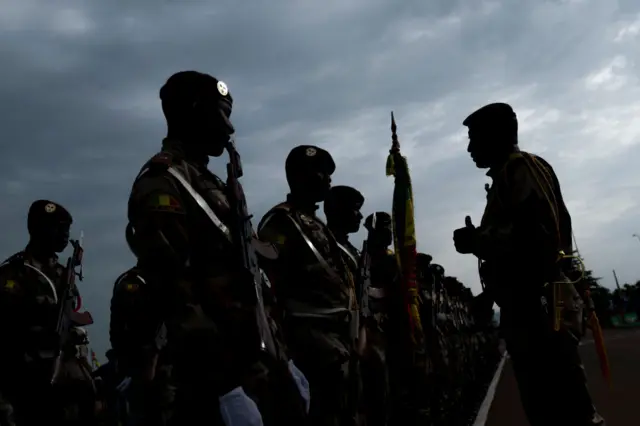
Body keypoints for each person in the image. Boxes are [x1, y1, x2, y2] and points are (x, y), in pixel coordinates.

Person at [126, 70, 307, 426]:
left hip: (251, 359)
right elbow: (172, 287)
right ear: (192, 112)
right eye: (219, 114)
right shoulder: (162, 181)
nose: (229, 129)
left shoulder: (214, 184)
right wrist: (223, 384)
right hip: (205, 374)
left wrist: (281, 358)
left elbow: (252, 282)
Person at [453, 102, 604, 426]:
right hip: (528, 308)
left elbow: (536, 236)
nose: (468, 148)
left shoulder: (520, 167)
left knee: (565, 407)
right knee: (548, 408)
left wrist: (477, 241)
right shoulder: (509, 175)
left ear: (496, 135)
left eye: (473, 137)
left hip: (539, 308)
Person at [258, 145, 355, 426]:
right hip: (307, 338)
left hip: (333, 334)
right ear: (302, 177)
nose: (328, 180)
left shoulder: (314, 222)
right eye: (322, 173)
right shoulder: (282, 221)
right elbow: (268, 277)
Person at [0, 200, 77, 425]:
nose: (65, 235)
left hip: (61, 392)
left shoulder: (64, 276)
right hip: (22, 388)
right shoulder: (13, 274)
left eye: (67, 229)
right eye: (59, 228)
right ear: (39, 228)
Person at [324, 185, 365, 426]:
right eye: (354, 210)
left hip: (352, 335)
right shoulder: (326, 242)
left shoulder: (353, 251)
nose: (359, 216)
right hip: (330, 336)